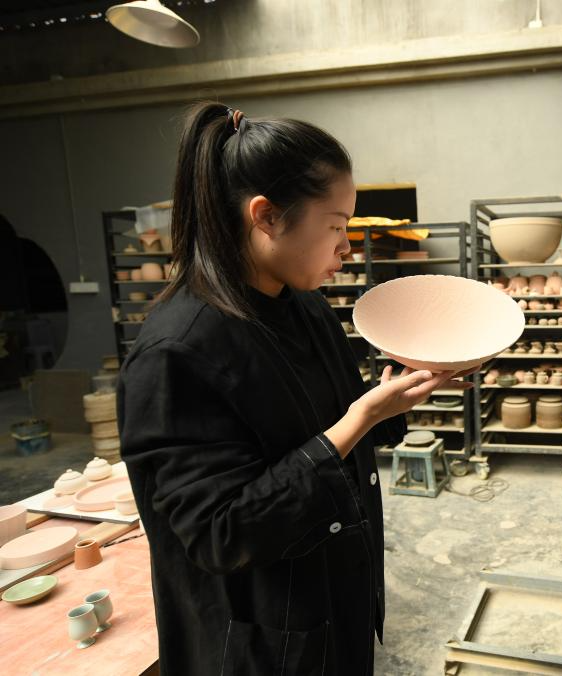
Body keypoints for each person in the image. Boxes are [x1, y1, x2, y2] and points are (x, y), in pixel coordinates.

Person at [117, 103, 466, 674]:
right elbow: (219, 533)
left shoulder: (305, 308)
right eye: (335, 226)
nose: (347, 247)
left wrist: (393, 399)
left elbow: (333, 428)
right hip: (255, 643)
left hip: (329, 600)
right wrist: (358, 420)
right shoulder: (177, 352)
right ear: (267, 216)